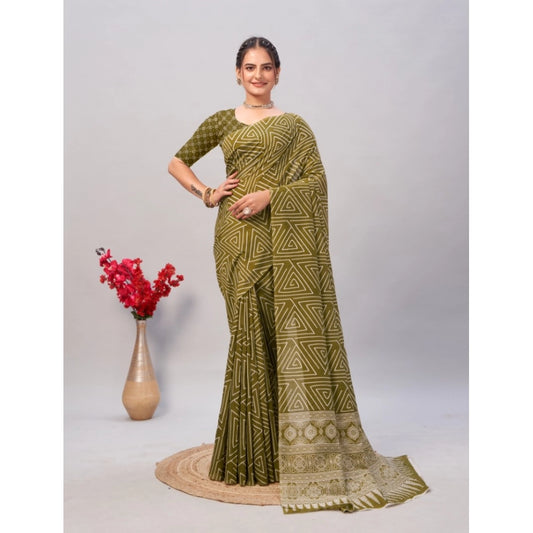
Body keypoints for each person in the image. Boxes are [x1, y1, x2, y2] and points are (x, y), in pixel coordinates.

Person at [168, 36, 428, 514]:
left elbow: (315, 181)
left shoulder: (294, 126)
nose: (258, 75)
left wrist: (271, 195)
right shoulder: (222, 121)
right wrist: (207, 193)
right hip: (236, 240)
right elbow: (176, 161)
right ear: (238, 73)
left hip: (281, 243)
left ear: (278, 73)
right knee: (247, 338)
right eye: (250, 67)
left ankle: (283, 454)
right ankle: (249, 458)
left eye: (266, 67)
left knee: (280, 338)